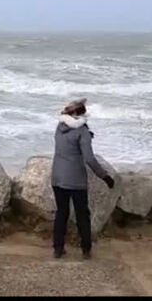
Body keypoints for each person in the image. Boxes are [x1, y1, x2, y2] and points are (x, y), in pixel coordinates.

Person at [51, 98, 115, 260]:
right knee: (82, 215)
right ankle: (86, 249)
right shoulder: (83, 131)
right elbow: (89, 159)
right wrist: (105, 176)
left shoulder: (60, 127)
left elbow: (68, 144)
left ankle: (58, 249)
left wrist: (86, 136)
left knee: (61, 213)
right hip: (75, 180)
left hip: (57, 177)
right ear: (80, 114)